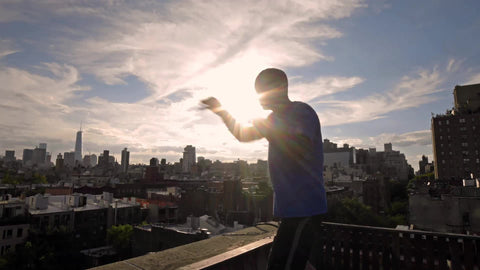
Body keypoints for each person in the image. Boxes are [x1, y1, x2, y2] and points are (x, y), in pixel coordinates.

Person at [201, 68, 327, 269]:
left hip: (305, 209)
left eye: (260, 90)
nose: (257, 97)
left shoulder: (301, 111)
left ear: (276, 89)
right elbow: (243, 135)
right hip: (293, 212)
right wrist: (220, 111)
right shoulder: (273, 120)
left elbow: (299, 148)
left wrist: (270, 129)